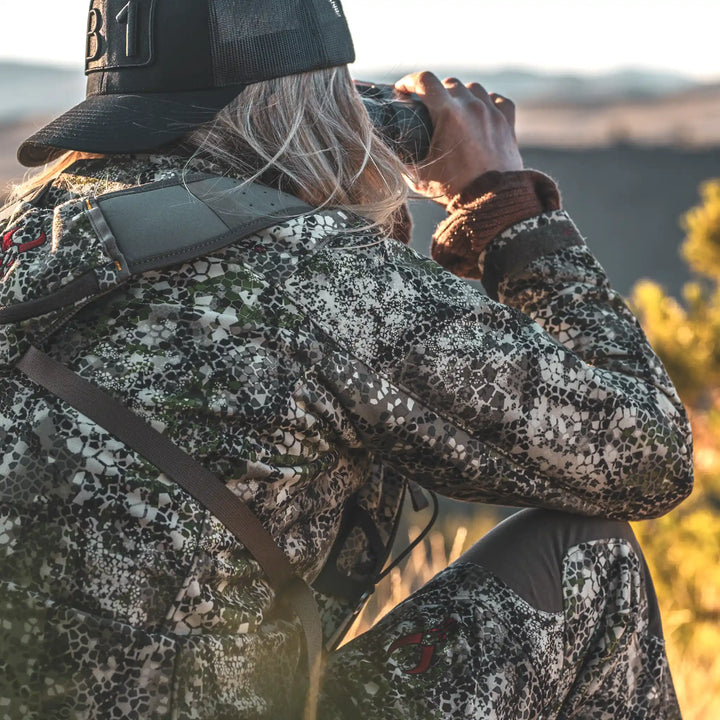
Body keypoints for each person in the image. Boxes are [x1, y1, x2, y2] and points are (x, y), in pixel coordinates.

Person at [0, 1, 692, 719]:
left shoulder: (29, 237)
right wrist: (504, 206)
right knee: (587, 560)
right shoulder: (313, 274)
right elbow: (649, 455)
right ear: (310, 95)